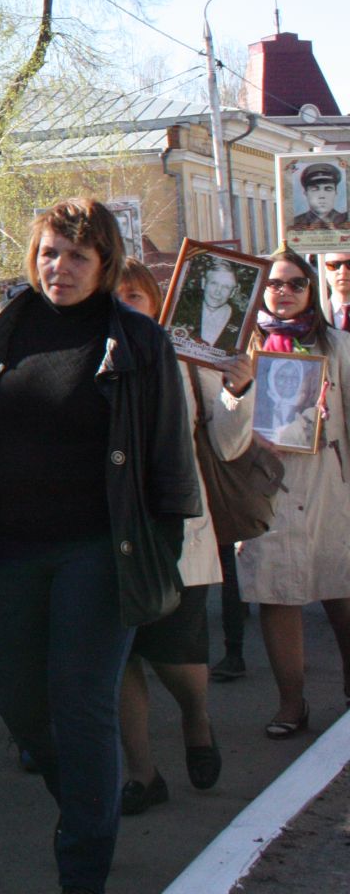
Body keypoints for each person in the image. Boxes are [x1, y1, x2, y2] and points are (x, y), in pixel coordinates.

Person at [0, 198, 199, 894]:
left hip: (99, 552)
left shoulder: (140, 343)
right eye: (51, 252)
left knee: (82, 703)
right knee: (20, 702)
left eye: (78, 256)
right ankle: (87, 804)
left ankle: (83, 865)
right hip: (14, 549)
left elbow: (171, 460)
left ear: (105, 264)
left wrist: (161, 551)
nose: (61, 267)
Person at [210, 249, 350, 739]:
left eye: (295, 283)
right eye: (273, 283)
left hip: (330, 484)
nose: (283, 291)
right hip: (264, 487)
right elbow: (224, 441)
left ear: (310, 291)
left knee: (342, 589)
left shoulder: (337, 347)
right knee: (277, 595)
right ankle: (292, 704)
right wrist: (240, 395)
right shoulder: (238, 350)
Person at [113, 257, 229, 814]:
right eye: (114, 297)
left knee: (177, 657)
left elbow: (228, 443)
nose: (123, 307)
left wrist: (240, 387)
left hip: (176, 533)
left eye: (134, 297)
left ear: (157, 305)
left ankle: (196, 718)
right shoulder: (85, 358)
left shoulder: (185, 359)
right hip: (107, 535)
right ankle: (142, 774)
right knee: (121, 658)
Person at [171, 256, 244, 353]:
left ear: (233, 292)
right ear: (204, 283)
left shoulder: (242, 322)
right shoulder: (178, 311)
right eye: (214, 283)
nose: (218, 292)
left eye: (226, 287)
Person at [289, 161, 350, 231]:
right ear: (306, 193)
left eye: (328, 189)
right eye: (315, 189)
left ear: (335, 192)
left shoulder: (345, 220)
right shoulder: (296, 222)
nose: (322, 196)